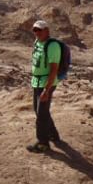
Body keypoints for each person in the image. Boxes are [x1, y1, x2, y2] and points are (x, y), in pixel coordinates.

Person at [27, 19, 62, 152]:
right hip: (37, 82)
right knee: (40, 111)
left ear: (47, 30)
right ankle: (53, 135)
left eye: (39, 30)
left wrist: (46, 90)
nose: (36, 32)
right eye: (34, 30)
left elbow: (54, 69)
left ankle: (43, 143)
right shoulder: (37, 42)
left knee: (41, 114)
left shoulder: (52, 46)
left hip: (47, 83)